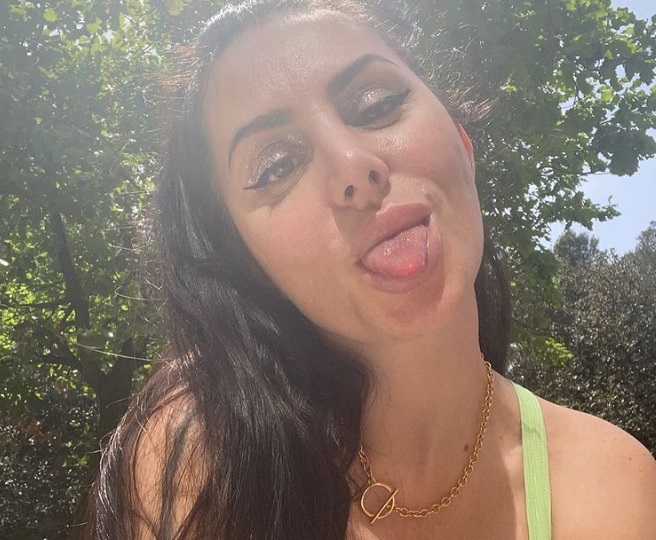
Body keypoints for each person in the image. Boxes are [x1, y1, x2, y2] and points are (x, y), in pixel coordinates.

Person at [88, 0, 656, 539]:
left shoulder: (615, 484)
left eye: (376, 104)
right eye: (278, 165)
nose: (353, 166)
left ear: (463, 143)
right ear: (248, 262)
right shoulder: (203, 460)